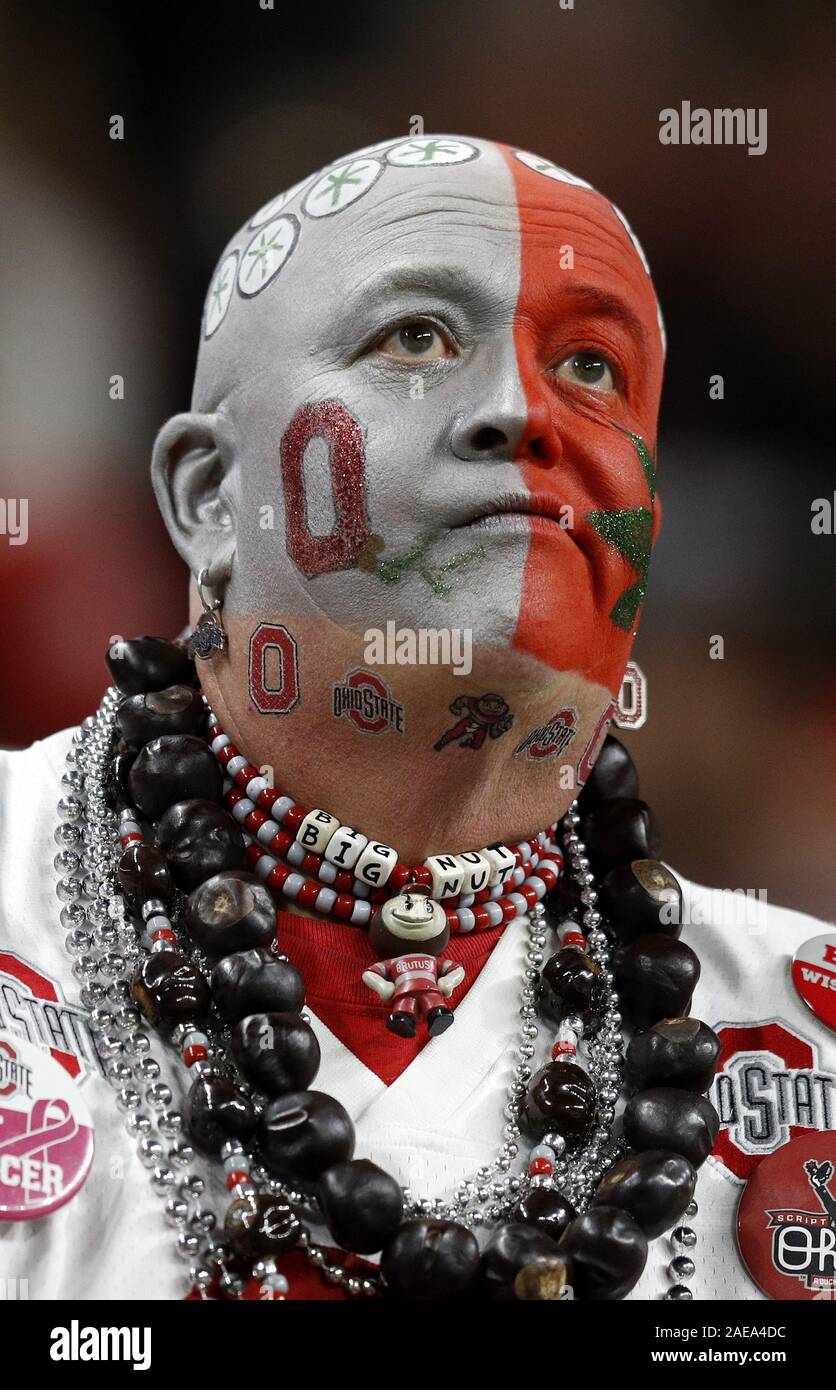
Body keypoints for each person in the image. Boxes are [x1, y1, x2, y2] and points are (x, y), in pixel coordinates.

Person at [0, 134, 832, 1301]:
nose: (518, 412)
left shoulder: (805, 1034)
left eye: (591, 366)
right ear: (207, 497)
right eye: (417, 339)